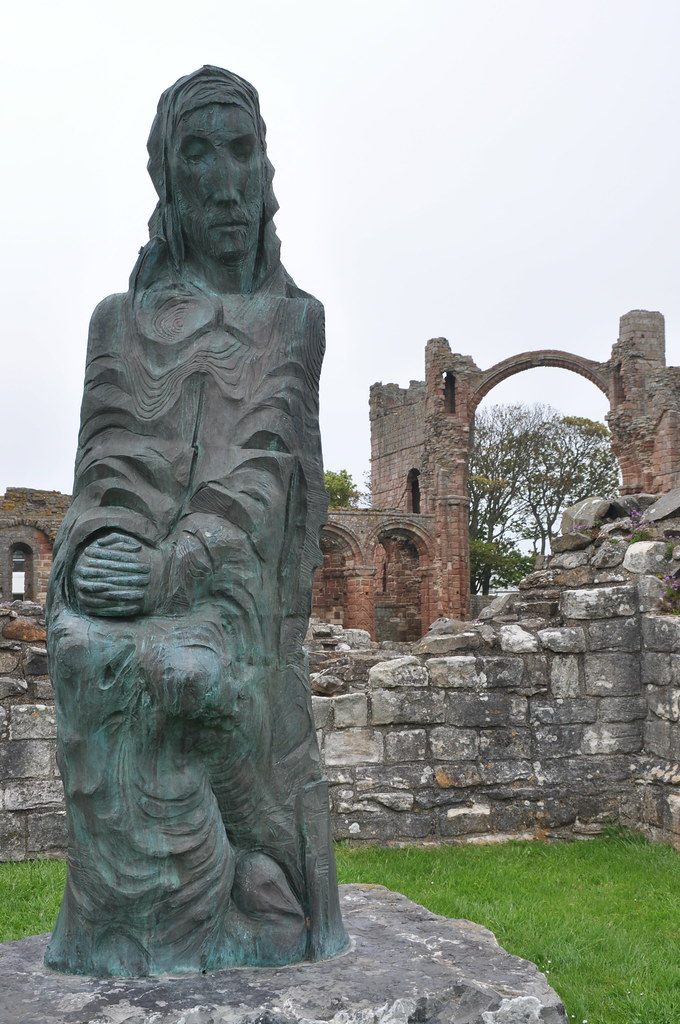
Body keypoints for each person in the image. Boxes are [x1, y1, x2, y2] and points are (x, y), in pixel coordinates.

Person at [45, 66, 348, 977]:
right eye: (199, 154)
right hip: (141, 571)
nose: (224, 182)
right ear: (166, 178)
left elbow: (262, 478)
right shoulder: (118, 322)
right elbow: (108, 467)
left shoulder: (293, 322)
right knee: (88, 654)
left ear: (265, 171)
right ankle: (146, 923)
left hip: (233, 598)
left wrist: (172, 571)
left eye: (242, 152)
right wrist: (98, 552)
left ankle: (235, 896)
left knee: (192, 672)